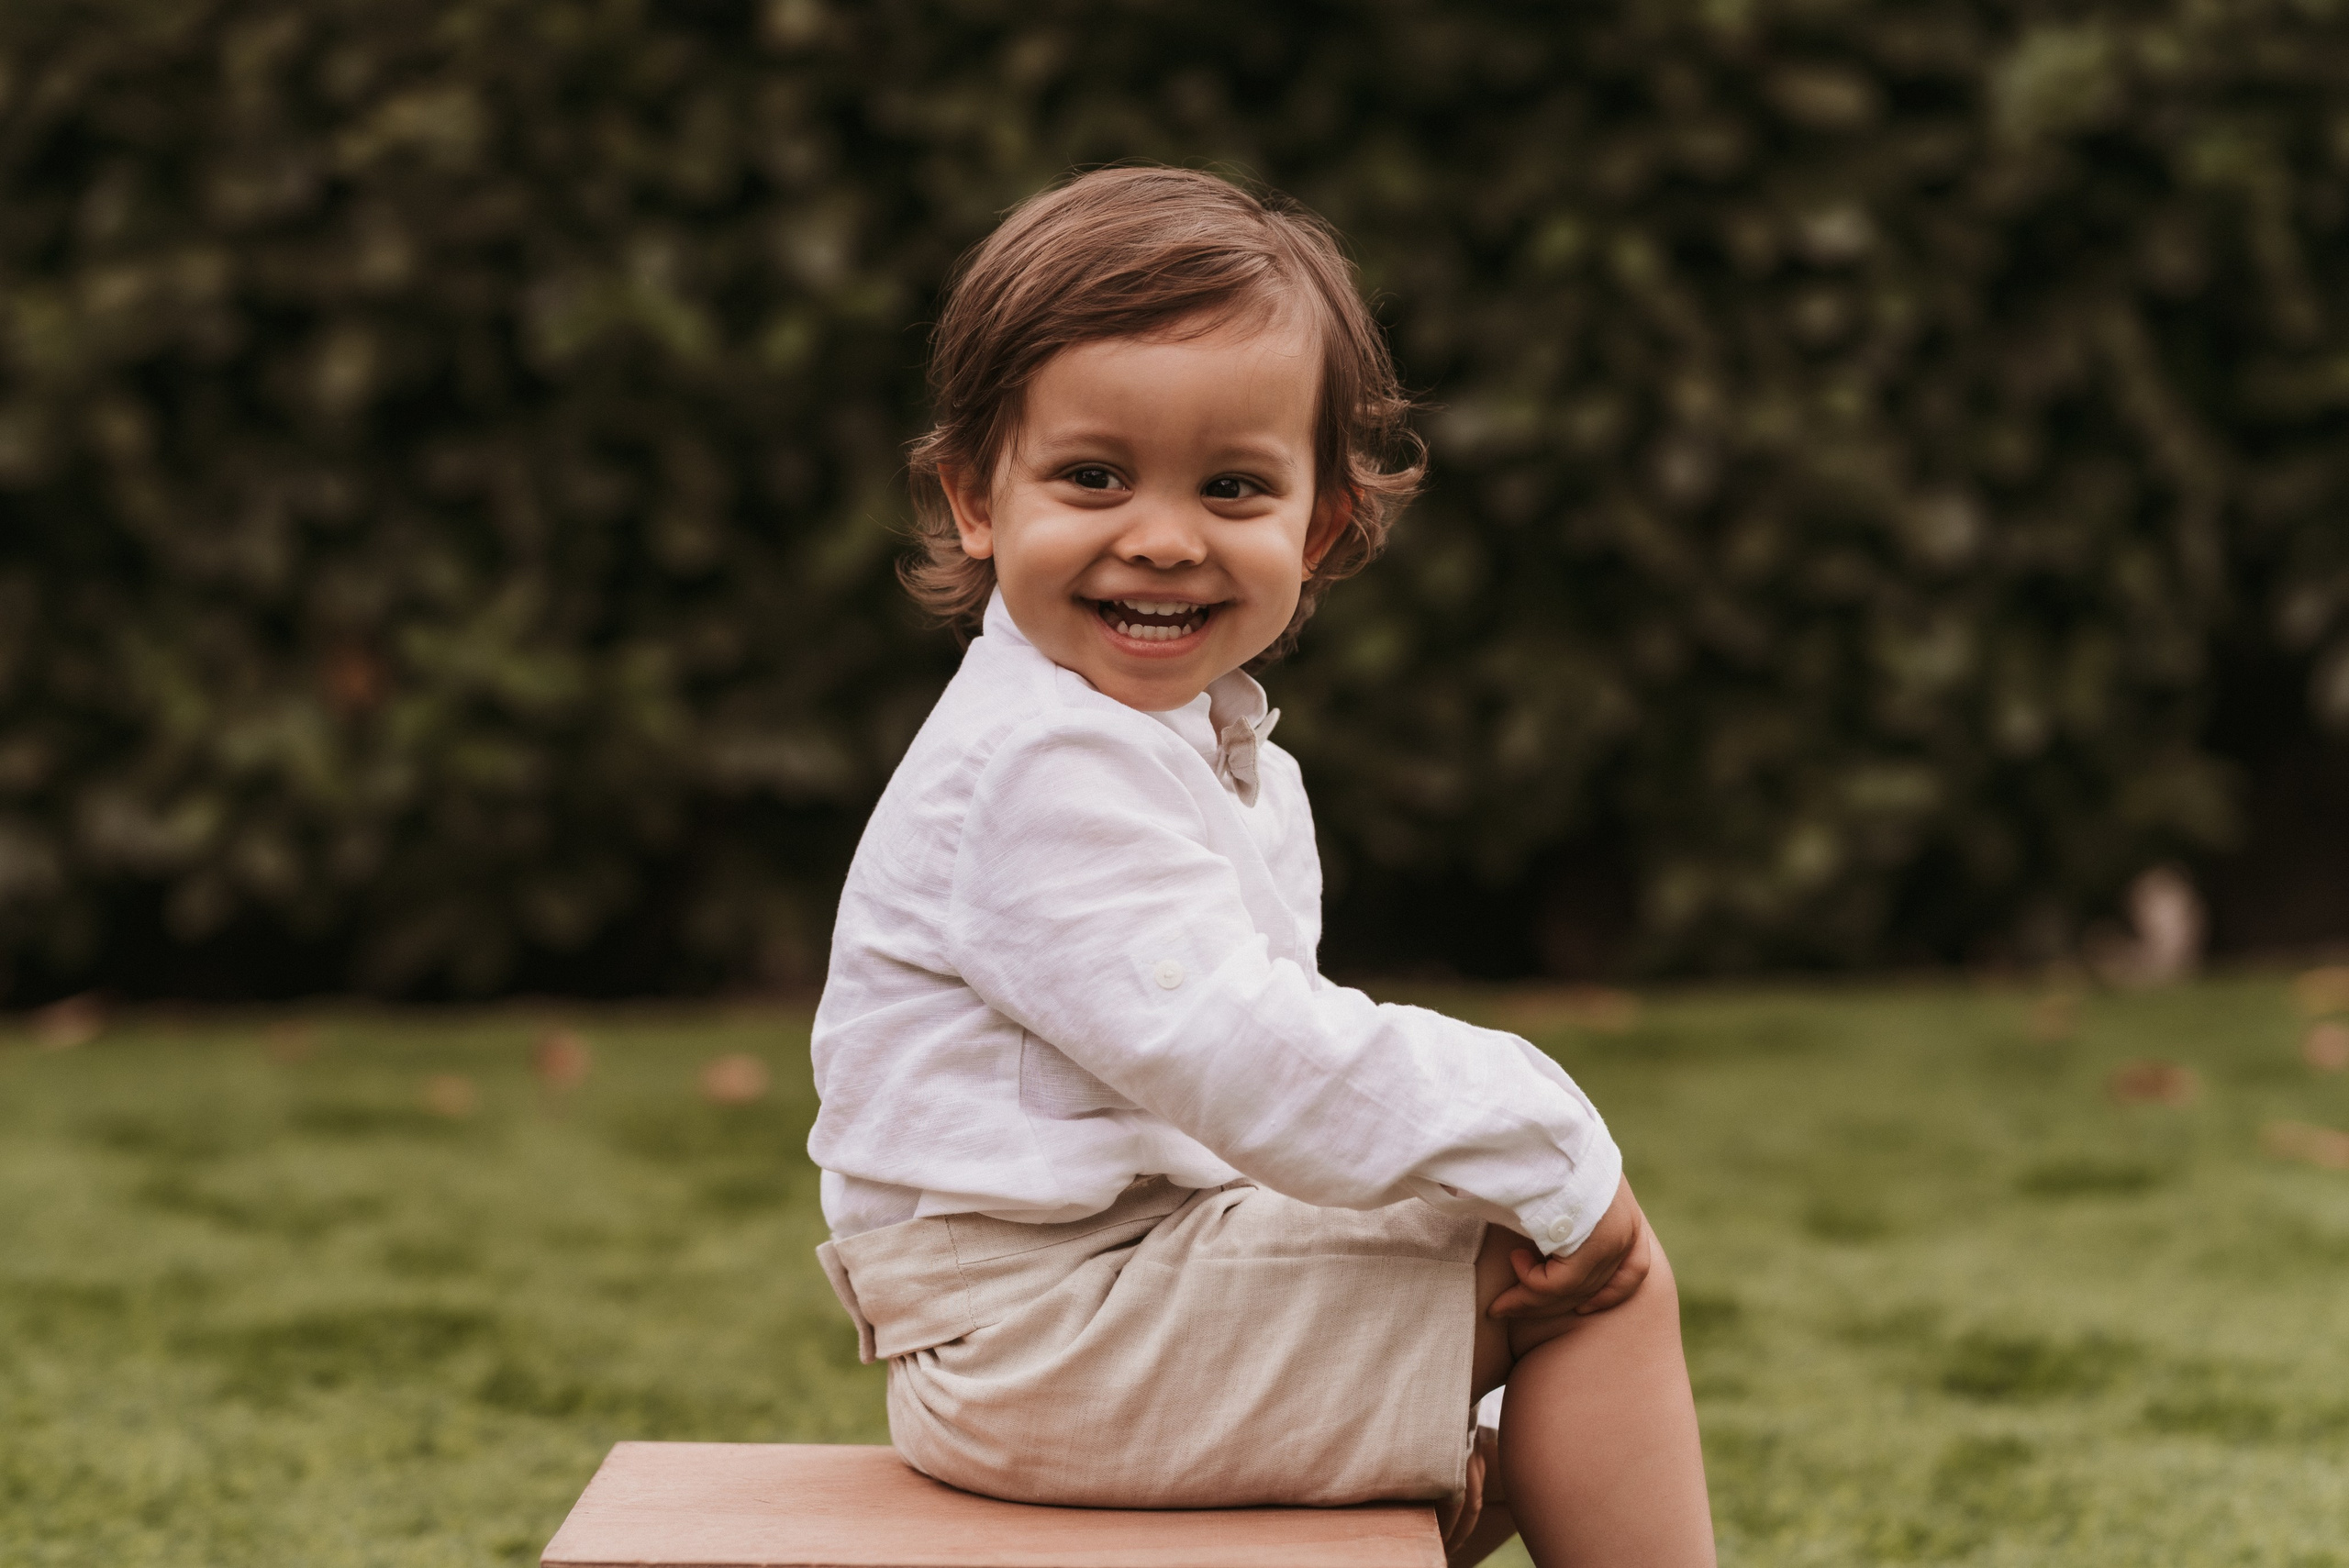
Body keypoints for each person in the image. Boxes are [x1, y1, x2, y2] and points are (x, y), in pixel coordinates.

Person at [807, 165, 1714, 1568]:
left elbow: (1248, 1090)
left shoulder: (1174, 741)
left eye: (1231, 486)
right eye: (1093, 475)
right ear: (976, 497)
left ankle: (1402, 1494)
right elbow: (1254, 1057)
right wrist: (1550, 1137)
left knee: (1507, 1276)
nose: (1162, 535)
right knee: (1587, 1276)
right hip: (1042, 1339)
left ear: (1321, 525)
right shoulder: (1046, 767)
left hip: (1092, 1297)